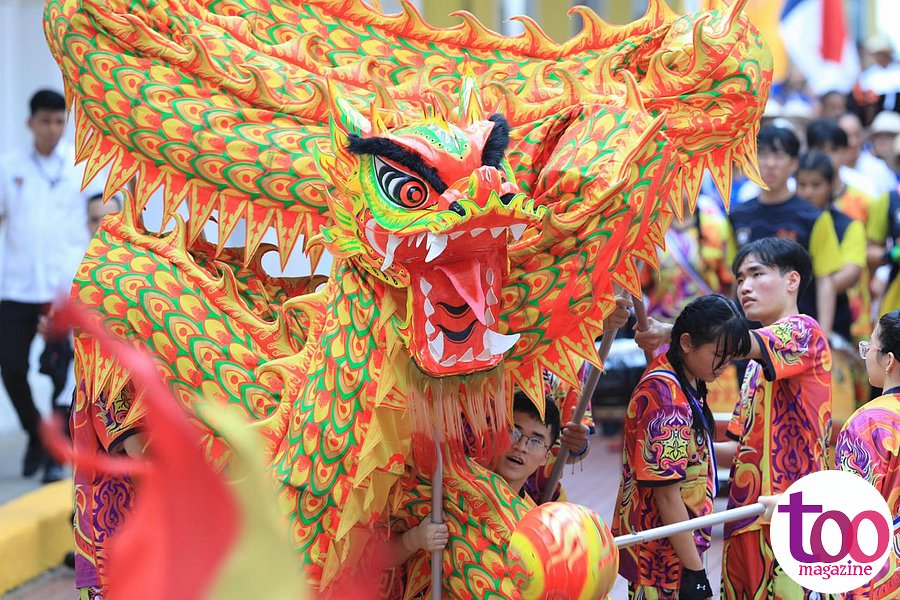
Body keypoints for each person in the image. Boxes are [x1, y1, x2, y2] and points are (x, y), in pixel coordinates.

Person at [637, 238, 835, 599]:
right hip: (743, 519)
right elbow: (738, 450)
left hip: (793, 519)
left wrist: (672, 332)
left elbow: (734, 342)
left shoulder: (806, 333)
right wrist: (676, 454)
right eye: (740, 278)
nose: (744, 286)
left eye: (757, 274)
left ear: (792, 280)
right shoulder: (754, 368)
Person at [612, 294, 751, 600]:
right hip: (662, 555)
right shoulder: (666, 400)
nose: (725, 365)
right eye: (719, 354)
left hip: (673, 546)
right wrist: (695, 572)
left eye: (730, 356)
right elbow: (666, 495)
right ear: (686, 343)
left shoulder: (685, 380)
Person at [0, 89, 101, 482]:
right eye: (45, 121)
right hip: (19, 287)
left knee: (63, 375)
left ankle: (56, 457)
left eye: (60, 121)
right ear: (31, 123)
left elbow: (101, 214)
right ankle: (36, 434)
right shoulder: (9, 167)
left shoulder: (80, 167)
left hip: (64, 289)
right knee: (11, 366)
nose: (53, 129)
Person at [727, 123, 841, 336]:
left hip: (797, 333)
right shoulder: (738, 215)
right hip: (748, 333)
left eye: (779, 156)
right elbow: (734, 277)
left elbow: (825, 279)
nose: (770, 164)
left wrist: (822, 336)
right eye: (763, 155)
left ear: (793, 163)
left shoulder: (814, 217)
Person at [835, 311, 900, 599]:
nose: (866, 355)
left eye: (870, 347)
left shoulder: (869, 422)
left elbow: (850, 513)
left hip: (880, 579)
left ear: (888, 360)